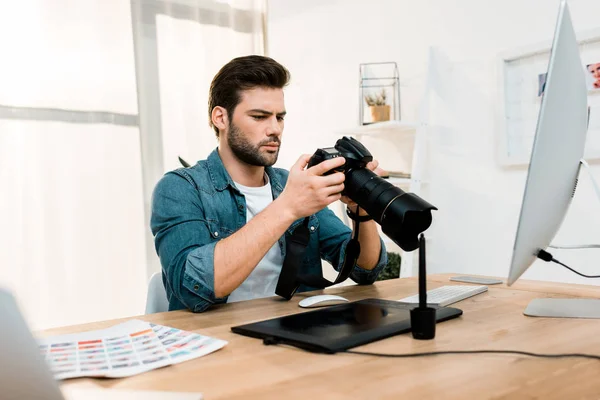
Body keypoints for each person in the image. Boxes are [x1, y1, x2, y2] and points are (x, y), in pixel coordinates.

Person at [150, 55, 387, 312]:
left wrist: (361, 209)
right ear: (221, 118)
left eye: (279, 117)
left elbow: (364, 270)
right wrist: (288, 207)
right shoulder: (180, 188)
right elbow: (192, 289)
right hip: (214, 341)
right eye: (259, 116)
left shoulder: (292, 184)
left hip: (294, 335)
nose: (275, 129)